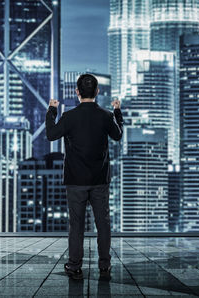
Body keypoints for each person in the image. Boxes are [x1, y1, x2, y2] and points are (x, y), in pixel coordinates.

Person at [45, 74, 123, 280]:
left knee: (76, 225)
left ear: (77, 92)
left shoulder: (69, 117)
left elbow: (51, 134)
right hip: (99, 180)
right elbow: (118, 135)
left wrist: (52, 110)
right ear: (97, 92)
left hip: (75, 180)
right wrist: (117, 111)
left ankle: (74, 266)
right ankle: (104, 266)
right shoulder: (106, 116)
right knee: (103, 223)